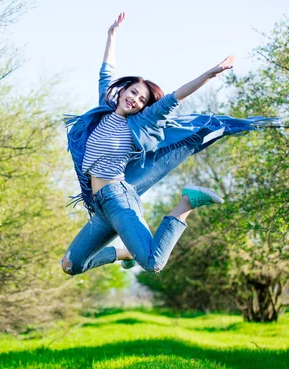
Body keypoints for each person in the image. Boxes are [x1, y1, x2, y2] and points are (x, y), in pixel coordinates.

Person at [60, 12, 263, 275]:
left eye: (142, 99)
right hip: (99, 207)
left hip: (118, 200)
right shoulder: (101, 112)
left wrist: (211, 74)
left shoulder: (140, 123)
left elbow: (175, 97)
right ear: (122, 91)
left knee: (154, 263)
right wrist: (112, 35)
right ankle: (124, 252)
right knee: (70, 265)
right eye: (133, 92)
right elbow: (105, 73)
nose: (135, 99)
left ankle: (186, 204)